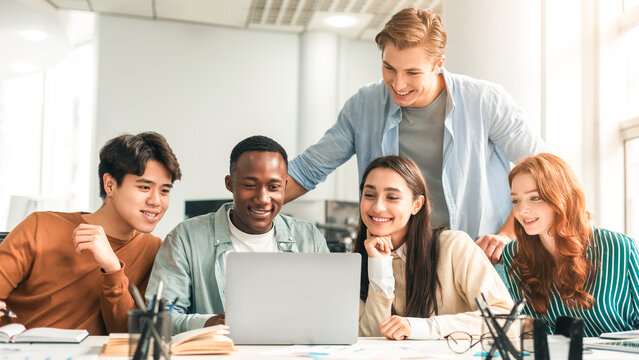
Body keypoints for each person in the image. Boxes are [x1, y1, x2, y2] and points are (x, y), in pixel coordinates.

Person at [286, 8, 546, 263]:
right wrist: (251, 202)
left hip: (478, 259)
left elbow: (546, 170)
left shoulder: (485, 101)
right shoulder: (364, 105)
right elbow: (308, 170)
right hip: (400, 260)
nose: (398, 85)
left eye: (412, 73)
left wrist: (507, 233)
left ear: (438, 64)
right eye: (389, 68)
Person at [0, 132, 182, 334]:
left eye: (165, 191)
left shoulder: (154, 249)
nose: (156, 201)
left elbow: (126, 333)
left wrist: (112, 269)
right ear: (110, 185)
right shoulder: (39, 226)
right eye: (145, 187)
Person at [146, 135, 329, 334]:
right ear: (230, 184)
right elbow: (158, 318)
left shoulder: (309, 238)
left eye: (274, 187)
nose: (263, 199)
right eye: (250, 185)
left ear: (285, 186)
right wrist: (208, 324)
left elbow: (330, 311)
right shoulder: (185, 238)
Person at [356, 156, 513, 340]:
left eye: (392, 197)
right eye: (369, 195)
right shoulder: (358, 263)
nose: (378, 206)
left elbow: (508, 320)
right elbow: (371, 342)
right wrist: (379, 269)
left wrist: (424, 327)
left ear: (416, 205)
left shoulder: (455, 247)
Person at [502, 153, 639, 337]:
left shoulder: (619, 248)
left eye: (535, 198)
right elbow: (535, 334)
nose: (521, 210)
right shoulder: (515, 253)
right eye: (516, 200)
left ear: (562, 197)